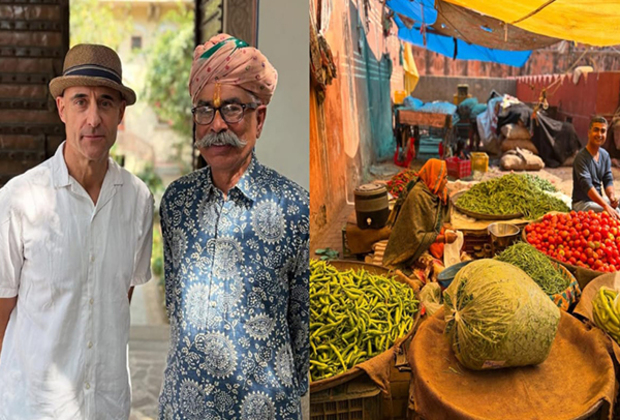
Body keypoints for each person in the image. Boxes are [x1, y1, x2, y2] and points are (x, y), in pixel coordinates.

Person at [157, 33, 309, 420]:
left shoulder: (294, 208)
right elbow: (174, 303)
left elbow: (302, 328)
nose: (217, 123)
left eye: (233, 109)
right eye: (204, 110)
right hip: (182, 407)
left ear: (260, 118)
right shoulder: (176, 203)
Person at [0, 44, 154, 419]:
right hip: (35, 407)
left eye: (105, 103)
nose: (93, 118)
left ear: (121, 113)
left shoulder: (137, 199)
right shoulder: (19, 199)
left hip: (107, 404)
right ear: (61, 108)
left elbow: (119, 298)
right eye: (80, 101)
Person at [383, 159, 457, 268]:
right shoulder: (417, 196)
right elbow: (415, 237)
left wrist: (445, 230)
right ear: (434, 178)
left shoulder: (434, 193)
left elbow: (434, 221)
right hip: (407, 246)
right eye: (444, 178)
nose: (446, 181)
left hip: (424, 240)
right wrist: (444, 238)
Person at [572, 115, 620, 219]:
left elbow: (608, 179)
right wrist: (605, 206)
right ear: (589, 133)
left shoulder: (605, 155)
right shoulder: (581, 158)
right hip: (582, 203)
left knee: (616, 207)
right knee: (616, 213)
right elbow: (587, 185)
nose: (599, 134)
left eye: (603, 131)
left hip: (599, 200)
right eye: (596, 130)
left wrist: (611, 198)